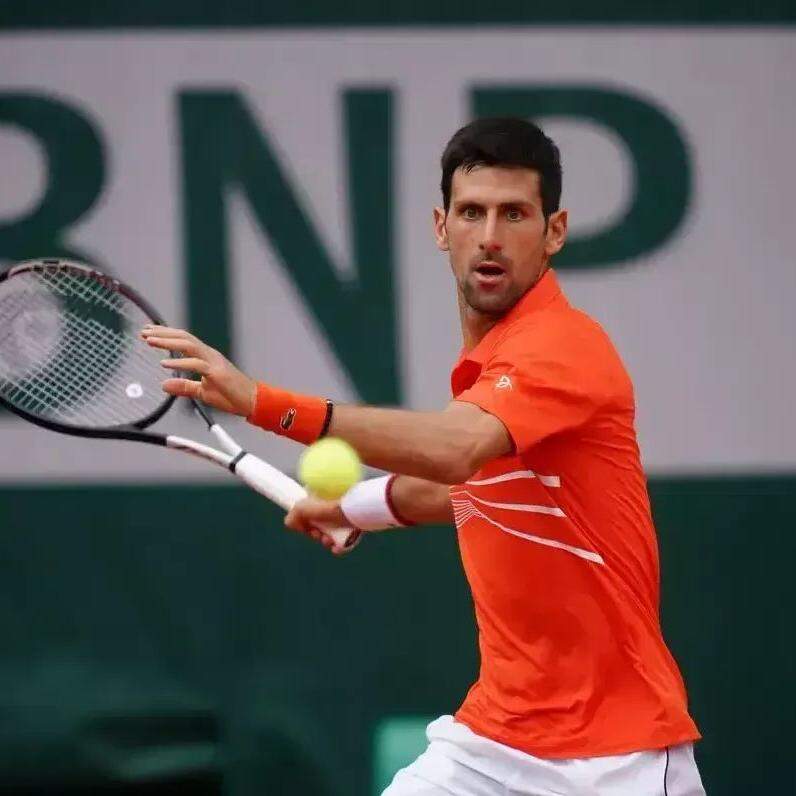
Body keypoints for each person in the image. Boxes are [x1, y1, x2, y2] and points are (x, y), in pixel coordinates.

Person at [142, 118, 706, 795]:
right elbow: (483, 487)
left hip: (616, 759)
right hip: (493, 743)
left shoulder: (563, 345)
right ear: (442, 228)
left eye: (514, 214)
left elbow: (457, 453)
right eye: (471, 212)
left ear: (554, 232)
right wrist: (356, 507)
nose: (490, 236)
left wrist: (261, 402)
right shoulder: (491, 363)